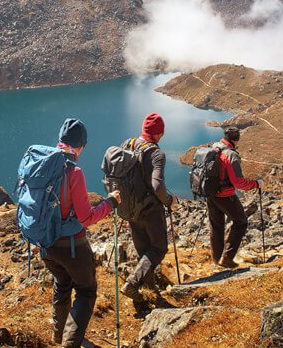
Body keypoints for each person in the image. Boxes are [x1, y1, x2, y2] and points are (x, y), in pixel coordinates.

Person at [42, 118, 121, 347]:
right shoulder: (73, 171)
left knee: (62, 282)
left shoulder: (42, 162)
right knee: (86, 292)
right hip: (70, 246)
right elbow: (86, 218)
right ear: (80, 146)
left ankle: (59, 335)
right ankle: (70, 344)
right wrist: (110, 203)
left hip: (45, 243)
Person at [119, 113, 180, 303]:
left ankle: (149, 288)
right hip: (149, 210)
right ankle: (133, 283)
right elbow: (157, 186)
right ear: (159, 133)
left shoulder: (127, 144)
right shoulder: (156, 153)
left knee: (143, 249)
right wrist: (170, 201)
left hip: (129, 209)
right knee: (159, 248)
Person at [207, 126, 262, 268]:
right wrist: (256, 184)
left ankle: (216, 259)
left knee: (216, 226)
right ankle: (227, 258)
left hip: (211, 194)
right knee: (241, 222)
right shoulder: (231, 155)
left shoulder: (215, 147)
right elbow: (238, 182)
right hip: (225, 195)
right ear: (236, 140)